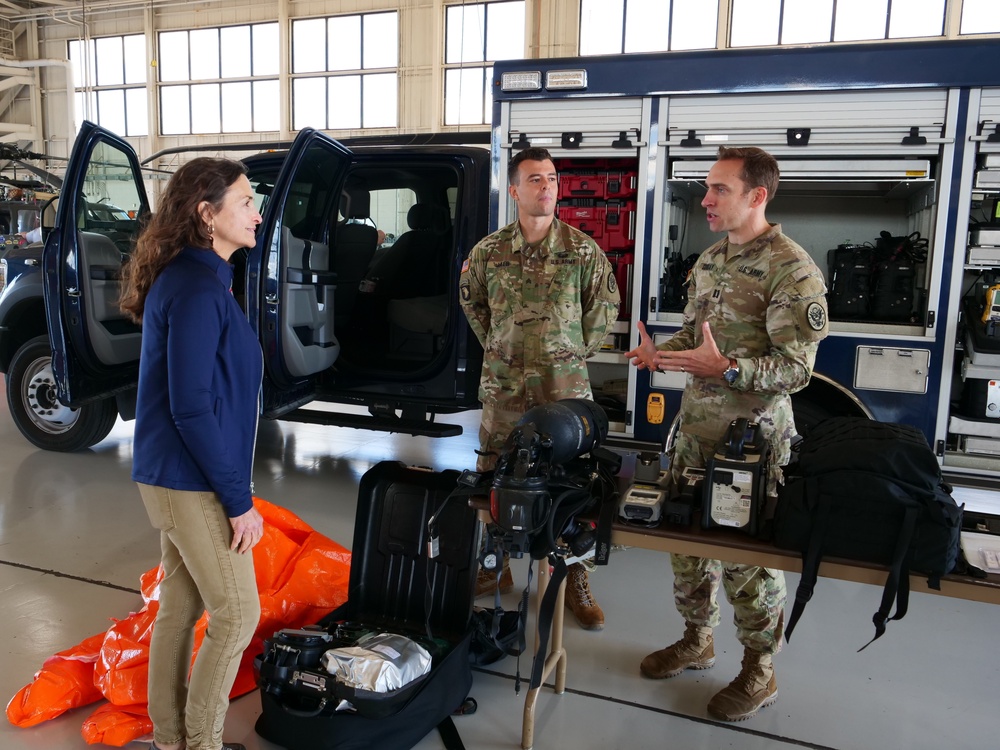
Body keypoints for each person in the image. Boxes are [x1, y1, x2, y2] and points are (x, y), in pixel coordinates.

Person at [625, 146, 829, 721]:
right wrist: (661, 356)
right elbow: (698, 342)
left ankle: (759, 670)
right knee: (688, 548)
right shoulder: (710, 261)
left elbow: (797, 371)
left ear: (757, 196)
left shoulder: (793, 269)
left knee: (748, 562)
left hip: (752, 446)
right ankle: (697, 639)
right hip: (695, 434)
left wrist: (730, 369)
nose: (706, 200)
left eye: (720, 190)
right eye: (707, 189)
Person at [119, 157, 264, 750]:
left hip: (173, 475)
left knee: (179, 610)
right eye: (246, 201)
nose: (257, 213)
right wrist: (238, 501)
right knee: (237, 614)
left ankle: (170, 738)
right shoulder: (199, 288)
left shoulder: (197, 277)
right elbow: (191, 407)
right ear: (207, 215)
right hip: (191, 481)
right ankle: (199, 743)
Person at [459, 146, 620, 630]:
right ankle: (496, 566)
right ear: (514, 190)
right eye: (534, 179)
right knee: (494, 476)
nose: (547, 186)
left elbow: (603, 312)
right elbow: (475, 309)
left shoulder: (583, 251)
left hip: (563, 393)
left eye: (551, 178)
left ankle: (574, 578)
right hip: (504, 392)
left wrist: (565, 351)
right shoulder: (488, 253)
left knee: (574, 488)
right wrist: (506, 350)